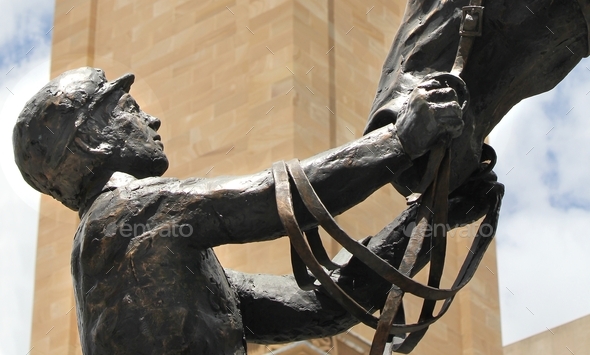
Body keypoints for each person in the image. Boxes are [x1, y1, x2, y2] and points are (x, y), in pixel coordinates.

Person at [13, 67, 469, 355]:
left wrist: (430, 217)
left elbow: (318, 306)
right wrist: (399, 140)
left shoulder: (157, 252)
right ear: (93, 140)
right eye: (129, 110)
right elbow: (275, 200)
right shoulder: (127, 213)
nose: (152, 122)